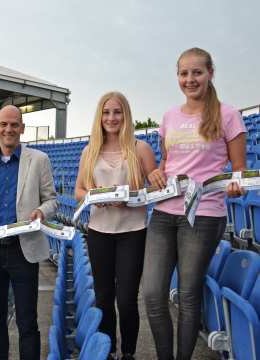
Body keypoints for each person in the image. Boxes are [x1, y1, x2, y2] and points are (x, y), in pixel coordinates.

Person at [143, 47, 246, 360]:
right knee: (151, 293)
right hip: (164, 212)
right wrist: (158, 172)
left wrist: (236, 185)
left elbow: (239, 171)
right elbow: (167, 162)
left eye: (197, 72)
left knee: (188, 294)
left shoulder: (228, 114)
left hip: (203, 215)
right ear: (177, 77)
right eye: (184, 73)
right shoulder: (169, 116)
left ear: (210, 73)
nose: (190, 79)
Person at [0, 104, 57, 359]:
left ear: (22, 128)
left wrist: (41, 212)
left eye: (14, 124)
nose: (9, 129)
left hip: (24, 249)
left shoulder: (39, 159)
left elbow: (51, 200)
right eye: (4, 124)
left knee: (27, 320)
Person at [74, 91, 157, 360]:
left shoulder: (140, 148)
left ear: (126, 115)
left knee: (127, 299)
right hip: (99, 232)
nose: (111, 118)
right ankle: (107, 351)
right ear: (100, 116)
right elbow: (78, 190)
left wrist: (130, 199)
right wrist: (93, 197)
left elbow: (153, 191)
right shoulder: (90, 150)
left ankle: (129, 353)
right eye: (106, 112)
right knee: (104, 297)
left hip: (133, 232)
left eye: (117, 112)